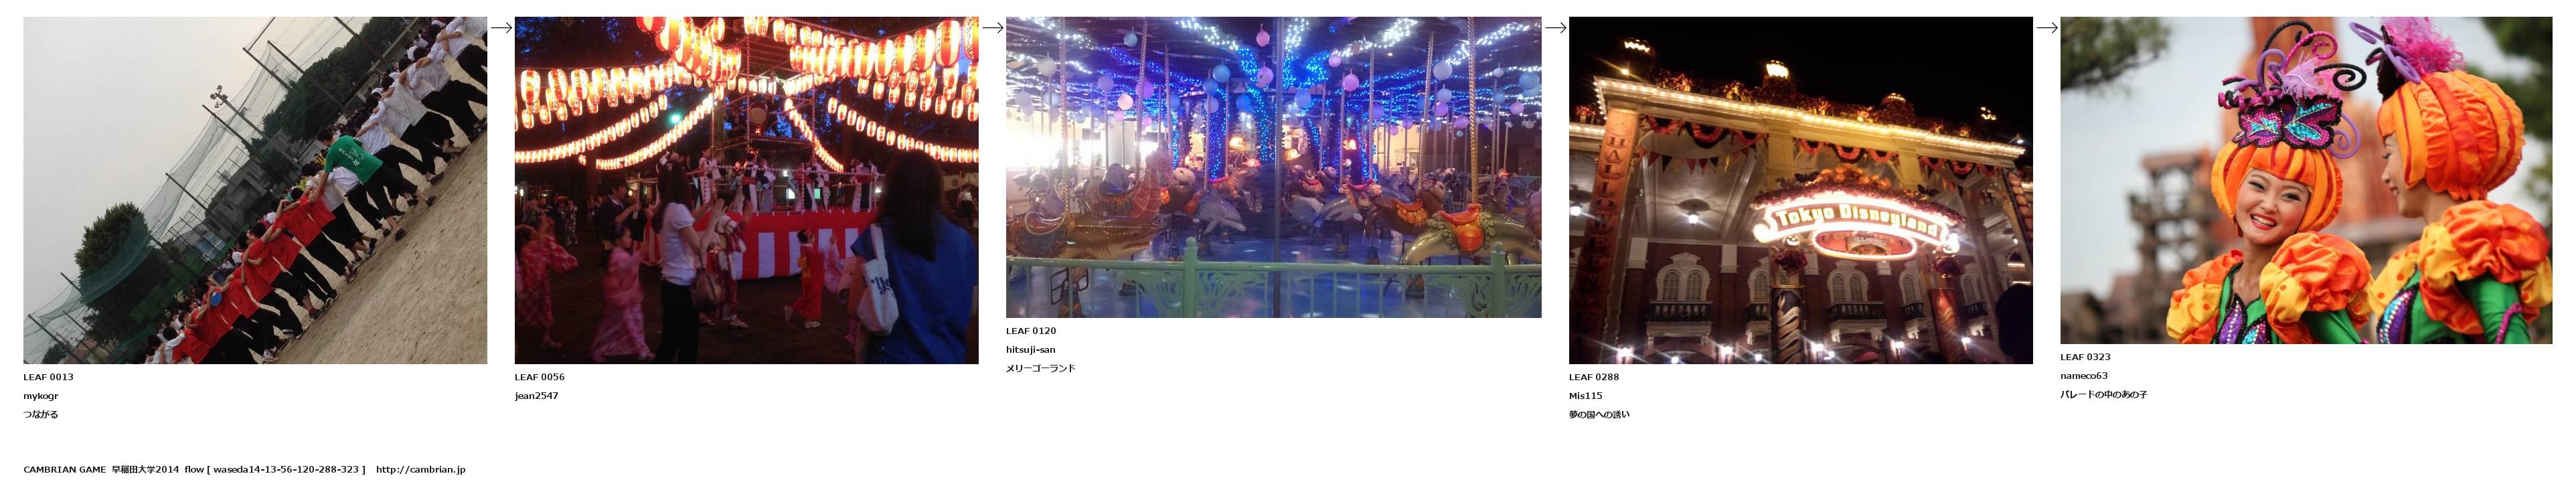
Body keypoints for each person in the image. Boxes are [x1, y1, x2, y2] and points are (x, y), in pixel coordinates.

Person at [2166, 21, 2373, 345]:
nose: (2269, 205)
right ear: (2236, 186)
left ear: (2309, 210)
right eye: (2259, 186)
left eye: (2291, 196)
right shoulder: (2209, 290)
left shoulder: (2306, 286)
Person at [2352, 18, 2550, 344]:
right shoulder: (2422, 258)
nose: (2385, 175)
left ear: (2428, 149)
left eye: (2389, 154)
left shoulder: (2478, 245)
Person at [848, 154, 973, 363]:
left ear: (892, 189)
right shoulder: (963, 239)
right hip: (949, 356)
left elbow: (854, 308)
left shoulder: (877, 236)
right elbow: (972, 306)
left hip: (893, 357)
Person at [653, 166, 710, 363]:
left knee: (670, 343)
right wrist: (714, 220)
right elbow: (700, 248)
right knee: (687, 345)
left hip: (670, 283)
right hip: (681, 287)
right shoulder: (677, 210)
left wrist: (709, 205)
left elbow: (691, 218)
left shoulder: (667, 209)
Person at [590, 224, 653, 362]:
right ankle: (601, 349)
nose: (630, 239)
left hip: (625, 297)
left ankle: (640, 349)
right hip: (624, 297)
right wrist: (640, 253)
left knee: (622, 324)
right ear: (618, 240)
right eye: (628, 237)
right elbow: (627, 267)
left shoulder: (619, 253)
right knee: (625, 324)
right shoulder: (619, 256)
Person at [517, 223, 578, 349]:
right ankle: (545, 339)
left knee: (523, 311)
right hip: (537, 286)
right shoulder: (532, 249)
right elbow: (547, 245)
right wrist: (545, 226)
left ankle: (541, 339)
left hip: (527, 286)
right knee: (544, 311)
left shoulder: (526, 250)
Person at [789, 228, 827, 328]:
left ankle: (792, 309)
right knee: (813, 299)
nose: (814, 237)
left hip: (806, 278)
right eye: (812, 236)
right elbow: (815, 265)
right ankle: (809, 321)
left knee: (807, 296)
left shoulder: (803, 248)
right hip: (812, 279)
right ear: (809, 239)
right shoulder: (810, 250)